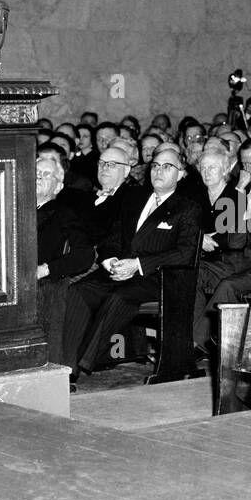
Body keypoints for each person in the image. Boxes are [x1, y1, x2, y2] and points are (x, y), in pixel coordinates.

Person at [60, 142, 202, 378]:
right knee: (78, 292)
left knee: (119, 298)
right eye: (155, 166)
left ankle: (81, 361)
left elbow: (185, 253)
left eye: (167, 167)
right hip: (118, 271)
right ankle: (67, 366)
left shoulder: (187, 209)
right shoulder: (135, 198)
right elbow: (112, 238)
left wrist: (137, 266)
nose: (158, 171)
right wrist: (110, 260)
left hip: (157, 277)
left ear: (181, 173)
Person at [34, 153, 95, 364]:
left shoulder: (64, 214)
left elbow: (85, 256)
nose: (39, 177)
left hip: (45, 281)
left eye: (46, 174)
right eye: (36, 173)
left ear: (58, 187)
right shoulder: (10, 209)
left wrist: (47, 268)